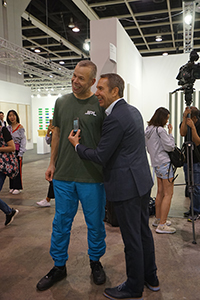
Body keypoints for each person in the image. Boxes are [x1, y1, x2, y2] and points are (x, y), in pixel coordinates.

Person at [68, 73, 159, 300]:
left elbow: (100, 155)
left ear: (115, 91)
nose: (96, 93)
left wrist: (77, 146)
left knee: (132, 239)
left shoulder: (115, 117)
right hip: (141, 182)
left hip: (126, 186)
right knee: (143, 232)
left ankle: (134, 287)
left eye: (100, 89)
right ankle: (151, 278)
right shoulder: (133, 111)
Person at [36, 60, 106, 292]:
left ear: (93, 82)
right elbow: (56, 134)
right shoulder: (62, 101)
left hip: (92, 176)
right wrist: (52, 163)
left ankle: (95, 262)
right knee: (60, 223)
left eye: (81, 78)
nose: (75, 81)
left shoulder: (100, 103)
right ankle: (59, 266)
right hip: (64, 175)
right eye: (74, 76)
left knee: (95, 224)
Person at [145, 107, 176, 234]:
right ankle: (162, 224)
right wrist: (170, 133)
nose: (166, 121)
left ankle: (158, 219)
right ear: (162, 117)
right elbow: (170, 147)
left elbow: (148, 149)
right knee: (168, 194)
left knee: (160, 192)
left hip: (156, 164)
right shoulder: (160, 130)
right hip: (164, 163)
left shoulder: (148, 130)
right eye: (166, 118)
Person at [180, 106, 200, 221]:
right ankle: (192, 209)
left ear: (193, 117)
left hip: (197, 160)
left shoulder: (198, 124)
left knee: (196, 187)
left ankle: (196, 210)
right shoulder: (184, 122)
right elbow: (182, 133)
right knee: (190, 186)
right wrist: (183, 118)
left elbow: (197, 141)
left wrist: (192, 128)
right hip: (187, 159)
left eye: (188, 115)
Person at [0, 124, 19, 225]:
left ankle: (9, 211)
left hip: (1, 167)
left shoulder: (3, 130)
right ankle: (9, 211)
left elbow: (12, 147)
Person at [6, 110, 26, 195]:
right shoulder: (8, 128)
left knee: (18, 169)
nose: (12, 117)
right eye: (10, 115)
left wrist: (21, 152)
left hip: (17, 151)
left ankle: (18, 187)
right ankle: (12, 186)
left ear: (16, 116)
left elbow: (23, 140)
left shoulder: (20, 127)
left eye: (13, 115)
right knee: (11, 169)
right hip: (10, 151)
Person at [37, 120, 55, 207]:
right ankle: (48, 199)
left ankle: (48, 199)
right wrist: (49, 131)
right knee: (53, 179)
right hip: (55, 159)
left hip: (60, 159)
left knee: (53, 180)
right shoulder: (54, 133)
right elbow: (48, 141)